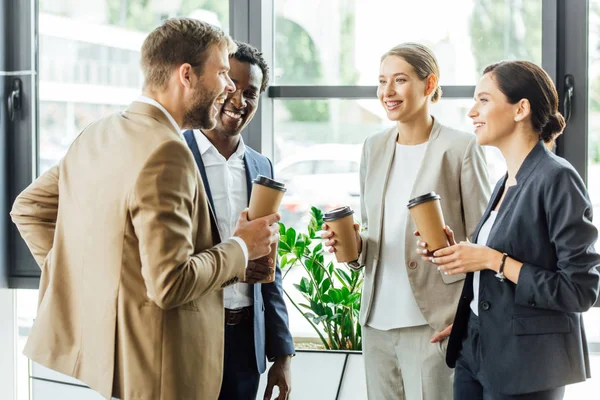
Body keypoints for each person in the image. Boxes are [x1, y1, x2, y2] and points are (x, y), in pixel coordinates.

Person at [10, 18, 281, 400]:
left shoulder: (98, 132)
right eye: (222, 73)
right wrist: (241, 247)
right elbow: (170, 284)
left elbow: (29, 209)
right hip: (167, 372)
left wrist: (93, 284)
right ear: (186, 75)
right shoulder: (168, 151)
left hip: (128, 365)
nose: (229, 87)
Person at [322, 42, 491, 400]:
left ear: (429, 85)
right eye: (382, 81)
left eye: (399, 80)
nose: (387, 92)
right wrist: (352, 248)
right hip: (375, 321)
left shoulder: (460, 148)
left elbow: (484, 240)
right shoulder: (374, 146)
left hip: (433, 321)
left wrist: (465, 318)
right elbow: (376, 237)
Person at [426, 60, 600, 399]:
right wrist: (461, 255)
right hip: (476, 349)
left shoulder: (557, 178)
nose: (472, 112)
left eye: (484, 100)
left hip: (527, 365)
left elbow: (580, 290)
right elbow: (502, 262)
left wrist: (493, 260)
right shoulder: (506, 181)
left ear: (521, 109)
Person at [182, 41, 294, 400]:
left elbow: (269, 268)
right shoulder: (175, 155)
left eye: (251, 93)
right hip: (191, 337)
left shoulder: (262, 167)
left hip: (246, 346)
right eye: (231, 86)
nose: (239, 100)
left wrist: (282, 355)